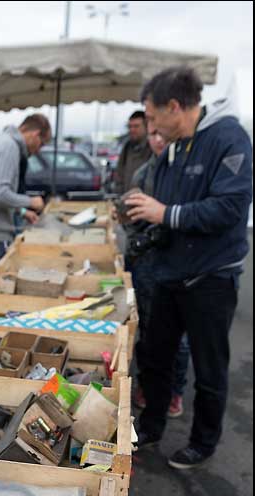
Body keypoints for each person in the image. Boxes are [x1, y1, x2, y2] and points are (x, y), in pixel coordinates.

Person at [125, 66, 252, 469]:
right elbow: (160, 205)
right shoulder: (175, 147)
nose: (152, 127)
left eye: (153, 116)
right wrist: (143, 215)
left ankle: (203, 442)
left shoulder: (229, 138)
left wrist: (165, 213)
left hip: (210, 277)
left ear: (174, 107)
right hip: (169, 272)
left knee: (209, 366)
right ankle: (151, 425)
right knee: (155, 356)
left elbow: (229, 208)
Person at [127, 128, 190, 419]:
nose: (158, 139)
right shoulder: (143, 174)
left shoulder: (187, 171)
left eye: (162, 133)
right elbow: (129, 220)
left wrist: (164, 216)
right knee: (147, 330)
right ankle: (147, 386)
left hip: (180, 266)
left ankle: (176, 390)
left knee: (179, 338)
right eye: (153, 134)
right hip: (147, 265)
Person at [0, 114, 51, 275]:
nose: (38, 150)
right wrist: (30, 202)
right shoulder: (9, 147)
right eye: (42, 144)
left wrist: (22, 211)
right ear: (35, 134)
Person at [114, 111, 152, 195]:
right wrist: (120, 194)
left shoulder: (152, 147)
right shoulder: (127, 147)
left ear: (146, 127)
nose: (132, 130)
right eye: (130, 126)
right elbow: (119, 173)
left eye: (136, 126)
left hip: (145, 199)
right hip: (127, 198)